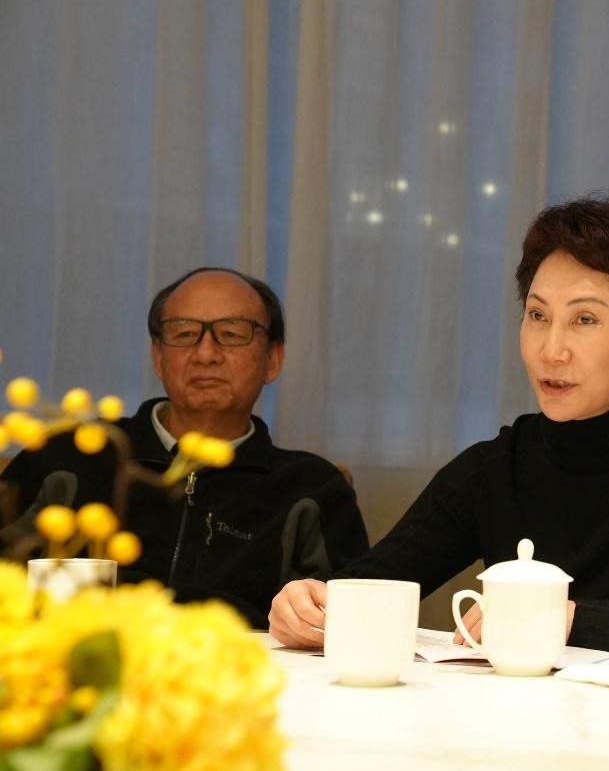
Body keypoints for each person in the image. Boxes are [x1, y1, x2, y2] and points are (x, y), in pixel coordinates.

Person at [268, 194, 609, 657]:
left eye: (584, 320)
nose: (551, 350)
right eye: (538, 315)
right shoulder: (498, 467)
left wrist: (569, 621)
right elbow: (374, 585)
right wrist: (310, 603)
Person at [1, 268, 370, 628]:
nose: (206, 353)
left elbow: (352, 623)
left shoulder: (312, 488)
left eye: (231, 334)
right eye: (185, 334)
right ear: (158, 357)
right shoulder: (71, 452)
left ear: (273, 359)